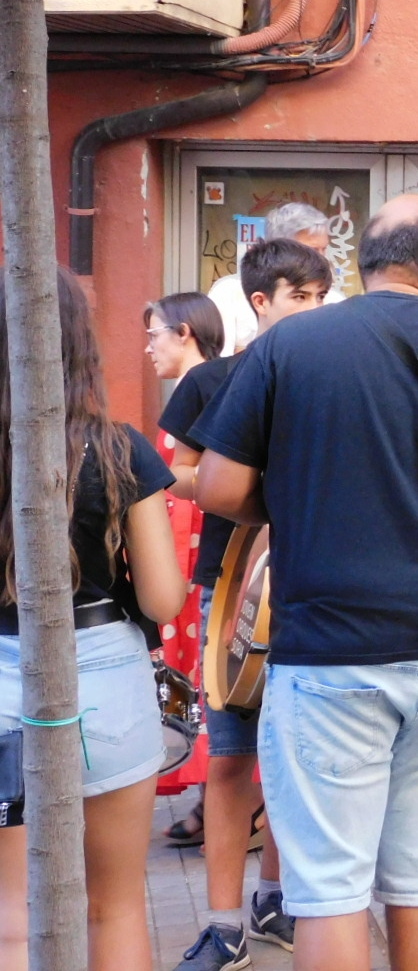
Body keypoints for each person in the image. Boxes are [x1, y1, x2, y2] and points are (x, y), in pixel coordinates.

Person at [193, 194, 418, 971]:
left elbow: (220, 488)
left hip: (333, 655)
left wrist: (301, 496)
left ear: (362, 265)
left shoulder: (290, 346)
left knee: (329, 888)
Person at [0, 269, 186, 971]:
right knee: (117, 906)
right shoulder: (118, 448)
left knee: (11, 917)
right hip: (105, 677)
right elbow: (164, 600)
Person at [165, 239, 334, 971]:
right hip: (234, 584)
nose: (313, 309)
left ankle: (277, 898)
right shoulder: (214, 379)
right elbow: (177, 470)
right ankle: (224, 924)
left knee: (297, 758)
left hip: (317, 582)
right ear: (261, 301)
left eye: (321, 296)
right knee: (232, 758)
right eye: (300, 296)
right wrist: (250, 493)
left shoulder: (333, 374)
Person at [143, 291, 224, 844]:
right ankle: (212, 800)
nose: (149, 348)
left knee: (200, 673)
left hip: (195, 556)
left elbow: (183, 497)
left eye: (155, 335)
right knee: (198, 676)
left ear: (184, 333)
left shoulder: (199, 388)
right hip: (191, 553)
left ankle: (224, 802)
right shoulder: (208, 385)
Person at [207, 202, 345, 356]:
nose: (321, 258)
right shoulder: (229, 293)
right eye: (311, 250)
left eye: (324, 249)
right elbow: (217, 362)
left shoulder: (334, 300)